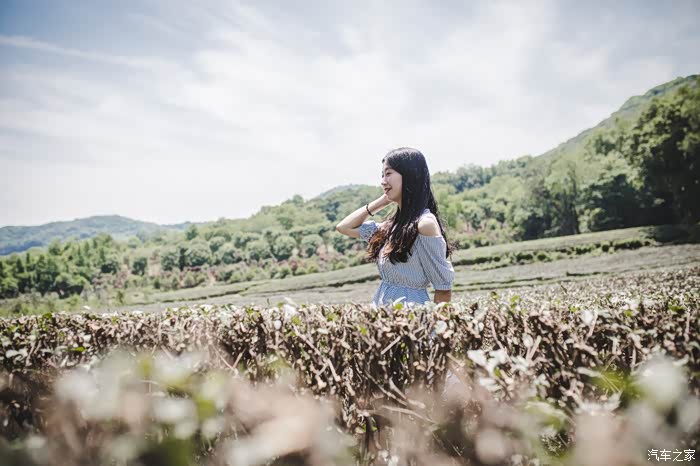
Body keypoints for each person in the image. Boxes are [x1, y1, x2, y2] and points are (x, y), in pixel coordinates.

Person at [336, 147, 455, 306]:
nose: (383, 181)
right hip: (384, 314)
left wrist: (438, 321)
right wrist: (382, 201)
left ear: (410, 175)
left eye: (388, 174)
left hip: (410, 315)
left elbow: (443, 288)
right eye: (382, 175)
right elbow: (344, 227)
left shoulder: (424, 224)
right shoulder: (390, 227)